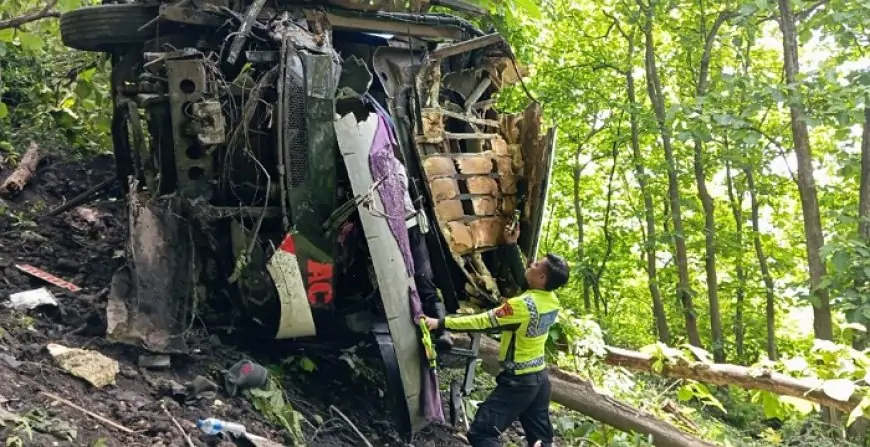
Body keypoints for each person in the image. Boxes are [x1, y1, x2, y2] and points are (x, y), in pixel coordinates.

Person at [425, 225, 569, 447]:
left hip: (519, 381)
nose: (531, 264)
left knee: (481, 434)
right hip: (540, 379)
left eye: (536, 264)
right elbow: (526, 283)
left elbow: (482, 321)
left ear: (542, 277)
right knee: (541, 441)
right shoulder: (550, 300)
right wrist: (511, 246)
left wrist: (441, 322)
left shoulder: (521, 307)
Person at [393, 155, 453, 349]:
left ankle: (442, 331)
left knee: (423, 280)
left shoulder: (390, 164)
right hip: (406, 226)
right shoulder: (392, 162)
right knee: (420, 280)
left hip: (409, 227)